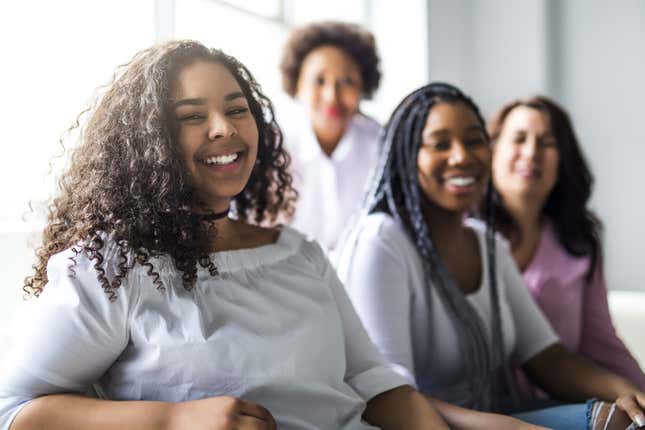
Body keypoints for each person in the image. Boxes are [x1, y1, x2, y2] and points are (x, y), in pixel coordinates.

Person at [0, 40, 455, 430]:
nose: (225, 127)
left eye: (237, 109)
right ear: (147, 141)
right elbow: (15, 410)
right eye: (192, 116)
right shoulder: (114, 268)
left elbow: (375, 385)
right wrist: (171, 420)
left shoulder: (299, 254)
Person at [335, 82, 645, 430]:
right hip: (419, 424)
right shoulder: (381, 241)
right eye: (440, 144)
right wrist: (509, 428)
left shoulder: (488, 243)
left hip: (494, 418)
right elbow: (386, 395)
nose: (461, 156)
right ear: (407, 157)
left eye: (473, 140)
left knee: (623, 420)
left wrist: (630, 394)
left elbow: (548, 358)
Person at [485, 96, 645, 394]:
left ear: (563, 157)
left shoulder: (578, 242)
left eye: (547, 142)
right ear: (492, 150)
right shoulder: (465, 231)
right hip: (477, 408)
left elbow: (602, 343)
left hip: (553, 404)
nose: (531, 153)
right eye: (519, 139)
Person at [279, 21, 382, 250]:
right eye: (319, 81)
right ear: (298, 85)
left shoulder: (382, 145)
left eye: (347, 82)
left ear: (363, 86)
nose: (331, 96)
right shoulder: (274, 148)